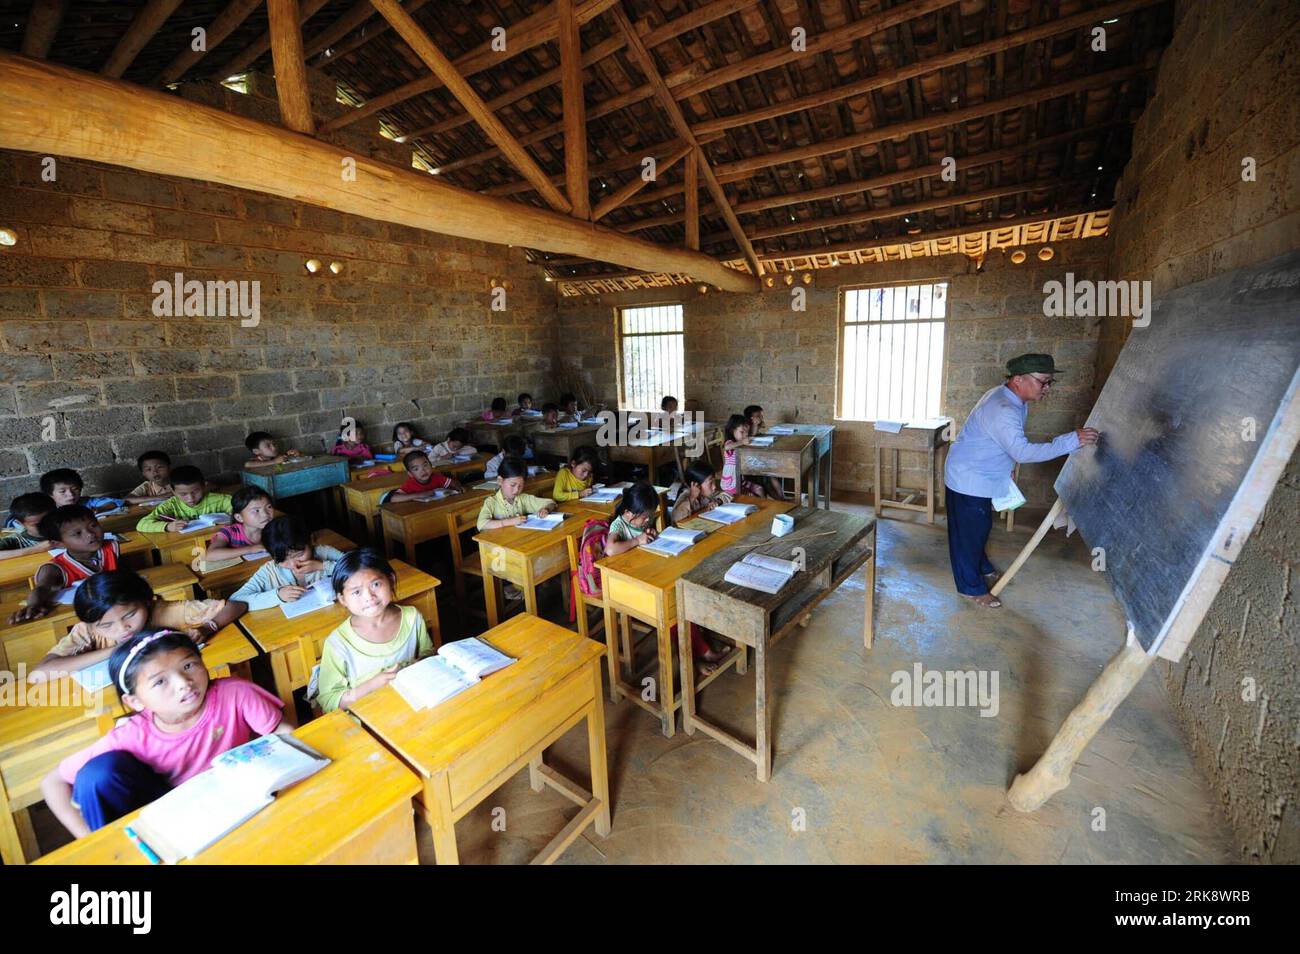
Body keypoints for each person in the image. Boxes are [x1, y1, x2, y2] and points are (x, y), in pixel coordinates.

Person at [943, 354, 1100, 608]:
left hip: (981, 470)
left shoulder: (1011, 398)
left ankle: (980, 566)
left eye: (1050, 382)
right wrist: (1071, 440)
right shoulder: (1003, 409)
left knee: (978, 527)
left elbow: (1003, 442)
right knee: (968, 533)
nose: (1047, 388)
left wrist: (1006, 466)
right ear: (1018, 380)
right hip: (969, 477)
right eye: (1043, 382)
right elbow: (1023, 452)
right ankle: (969, 587)